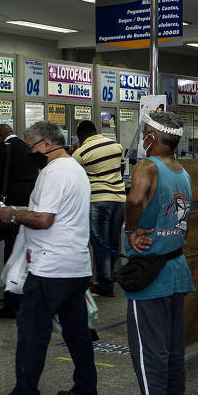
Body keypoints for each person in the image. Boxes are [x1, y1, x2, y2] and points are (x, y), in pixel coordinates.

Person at [0, 121, 98, 395]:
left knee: (32, 330)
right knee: (77, 333)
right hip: (76, 266)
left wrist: (12, 215)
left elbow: (45, 219)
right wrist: (25, 211)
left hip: (51, 268)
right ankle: (86, 391)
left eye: (31, 146)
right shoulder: (75, 169)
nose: (29, 152)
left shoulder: (53, 172)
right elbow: (55, 215)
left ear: (47, 144)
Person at [114, 111, 194, 395]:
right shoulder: (182, 173)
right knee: (173, 350)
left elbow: (134, 198)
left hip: (150, 274)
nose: (141, 136)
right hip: (176, 269)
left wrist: (131, 229)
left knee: (149, 352)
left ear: (153, 137)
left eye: (144, 131)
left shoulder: (148, 166)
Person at [0, 123, 39, 318]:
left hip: (12, 208)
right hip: (30, 206)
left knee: (11, 254)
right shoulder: (28, 147)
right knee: (24, 254)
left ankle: (11, 304)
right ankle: (26, 299)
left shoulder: (3, 148)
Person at [71, 120, 125, 297]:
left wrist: (72, 153)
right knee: (113, 240)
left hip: (98, 200)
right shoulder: (117, 146)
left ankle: (105, 283)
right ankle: (112, 277)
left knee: (100, 243)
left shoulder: (80, 152)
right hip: (119, 199)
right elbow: (121, 169)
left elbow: (74, 177)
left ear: (81, 135)